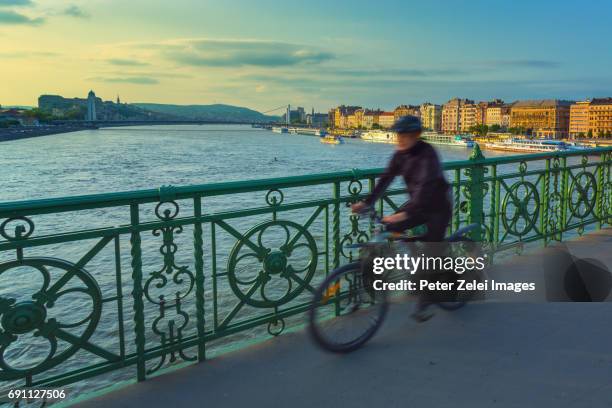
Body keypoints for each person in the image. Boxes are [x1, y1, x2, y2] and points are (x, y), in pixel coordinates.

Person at [352, 115, 452, 322]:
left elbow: (426, 186)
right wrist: (367, 202)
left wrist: (405, 213)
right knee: (388, 229)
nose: (398, 139)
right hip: (417, 204)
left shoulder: (427, 155)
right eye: (398, 134)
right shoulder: (400, 155)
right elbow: (386, 179)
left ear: (415, 135)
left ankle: (425, 302)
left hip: (437, 206)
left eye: (403, 135)